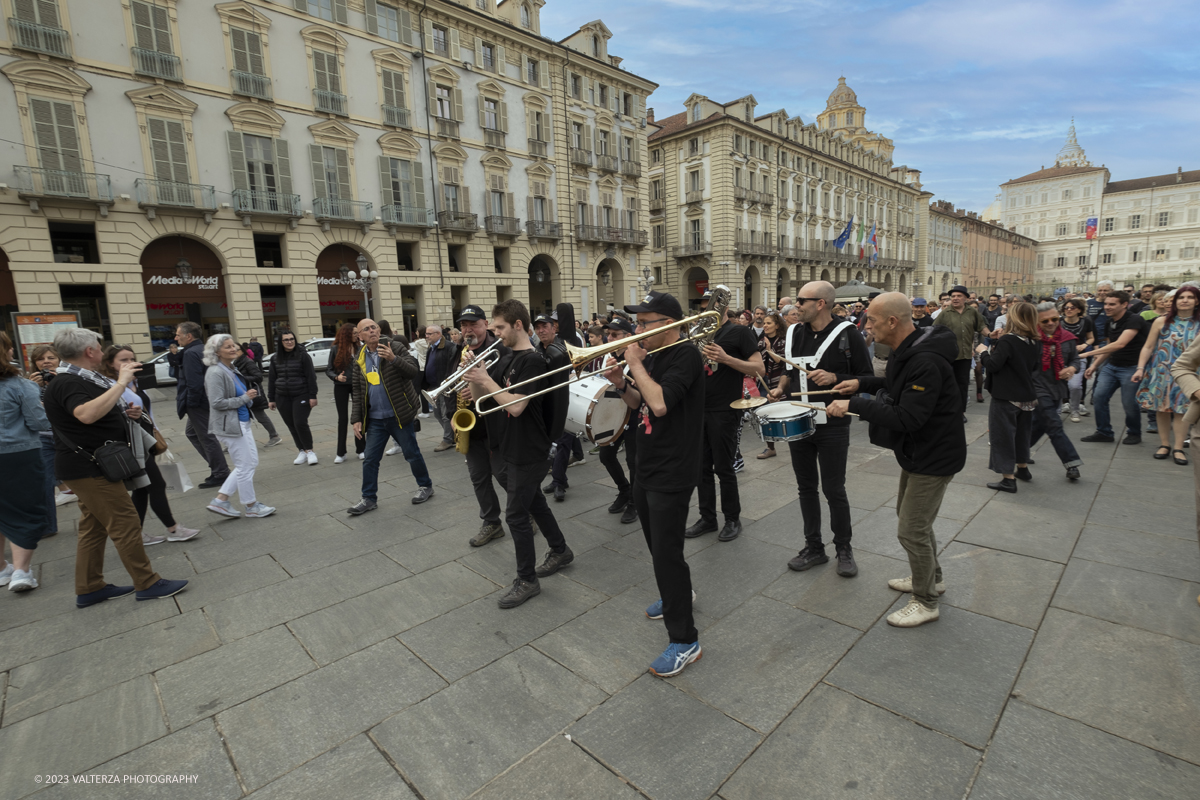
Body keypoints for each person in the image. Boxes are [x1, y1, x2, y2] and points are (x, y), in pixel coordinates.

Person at [827, 294, 966, 628]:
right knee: (911, 518)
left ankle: (926, 600)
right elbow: (895, 385)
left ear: (892, 321)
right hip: (920, 451)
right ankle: (932, 578)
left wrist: (855, 405)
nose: (867, 326)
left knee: (911, 528)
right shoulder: (910, 349)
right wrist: (861, 384)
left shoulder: (925, 360)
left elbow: (908, 417)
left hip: (934, 453)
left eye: (871, 320)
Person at [43, 328, 188, 606]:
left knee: (94, 527)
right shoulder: (69, 382)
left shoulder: (79, 379)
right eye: (98, 346)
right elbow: (85, 415)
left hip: (85, 465)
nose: (101, 350)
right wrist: (121, 383)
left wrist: (124, 413)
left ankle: (90, 587)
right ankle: (147, 582)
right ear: (89, 352)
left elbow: (91, 414)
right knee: (125, 522)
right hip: (90, 467)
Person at [606, 290, 705, 676]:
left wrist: (634, 363)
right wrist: (620, 381)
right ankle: (676, 593)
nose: (637, 330)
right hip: (646, 463)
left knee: (667, 552)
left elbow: (662, 403)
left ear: (669, 325)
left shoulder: (685, 355)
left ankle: (685, 640)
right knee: (658, 546)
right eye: (637, 322)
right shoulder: (655, 356)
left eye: (644, 323)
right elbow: (639, 403)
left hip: (673, 468)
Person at [464, 300, 573, 609]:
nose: (494, 333)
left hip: (529, 448)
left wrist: (486, 379)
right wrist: (476, 378)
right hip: (507, 444)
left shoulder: (533, 361)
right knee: (535, 502)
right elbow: (483, 402)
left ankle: (527, 580)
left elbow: (516, 405)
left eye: (498, 327)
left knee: (515, 515)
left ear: (517, 325)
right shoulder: (508, 357)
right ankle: (561, 550)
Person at [767, 281, 872, 576]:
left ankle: (844, 548)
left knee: (834, 489)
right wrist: (779, 389)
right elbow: (788, 373)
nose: (795, 305)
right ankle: (814, 547)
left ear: (821, 303)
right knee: (805, 488)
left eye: (801, 300)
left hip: (833, 424)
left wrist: (836, 376)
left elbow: (866, 377)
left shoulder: (848, 334)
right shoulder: (793, 333)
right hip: (798, 420)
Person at [100, 346, 201, 542]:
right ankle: (173, 529)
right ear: (110, 363)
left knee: (141, 489)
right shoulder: (111, 385)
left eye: (132, 358)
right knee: (156, 485)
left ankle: (136, 533)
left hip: (146, 440)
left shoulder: (134, 382)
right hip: (131, 443)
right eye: (123, 360)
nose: (130, 363)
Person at [687, 289, 764, 543]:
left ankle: (732, 518)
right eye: (700, 307)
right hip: (698, 409)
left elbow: (758, 367)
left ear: (720, 307)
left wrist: (726, 358)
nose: (703, 310)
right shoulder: (697, 334)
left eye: (708, 305)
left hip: (724, 409)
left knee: (724, 468)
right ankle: (707, 518)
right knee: (700, 470)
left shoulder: (739, 332)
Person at [348, 318, 434, 513]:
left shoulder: (394, 346)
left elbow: (413, 372)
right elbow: (357, 390)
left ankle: (425, 486)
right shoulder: (360, 356)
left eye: (374, 327)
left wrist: (393, 358)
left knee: (411, 453)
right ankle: (368, 498)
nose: (371, 331)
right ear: (360, 336)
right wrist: (356, 419)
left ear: (379, 330)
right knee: (370, 459)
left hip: (399, 413)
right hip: (376, 419)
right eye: (366, 329)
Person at [453, 305, 515, 546]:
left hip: (495, 424)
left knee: (503, 475)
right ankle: (491, 522)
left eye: (473, 324)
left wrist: (482, 387)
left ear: (485, 325)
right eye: (464, 325)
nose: (468, 330)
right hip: (471, 425)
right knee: (478, 477)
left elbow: (507, 387)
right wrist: (453, 412)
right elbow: (450, 383)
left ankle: (527, 511)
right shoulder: (460, 350)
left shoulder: (501, 350)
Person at [203, 335, 276, 519]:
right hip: (230, 425)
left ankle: (221, 500)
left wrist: (247, 397)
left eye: (233, 345)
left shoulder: (229, 368)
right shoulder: (215, 373)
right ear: (216, 352)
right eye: (227, 347)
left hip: (240, 422)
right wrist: (244, 398)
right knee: (245, 465)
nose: (233, 348)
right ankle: (251, 506)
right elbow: (217, 402)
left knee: (249, 463)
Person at [0, 337, 50, 592]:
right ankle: (21, 571)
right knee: (25, 511)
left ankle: (1, 570)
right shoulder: (19, 386)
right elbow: (39, 423)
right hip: (17, 455)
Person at [977, 302, 1040, 493]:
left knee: (1003, 437)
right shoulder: (1034, 341)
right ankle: (1022, 468)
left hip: (1006, 396)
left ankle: (1008, 478)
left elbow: (994, 365)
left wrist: (983, 352)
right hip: (1027, 395)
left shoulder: (1009, 341)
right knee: (1022, 435)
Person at [1135, 285, 1199, 465]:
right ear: (1175, 301)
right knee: (1161, 408)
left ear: (1197, 301)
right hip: (1161, 370)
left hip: (1189, 373)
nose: (1185, 300)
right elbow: (1148, 347)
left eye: (1190, 297)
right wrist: (1140, 368)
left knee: (1182, 409)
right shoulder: (1161, 321)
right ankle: (1164, 444)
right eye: (1181, 297)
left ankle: (1178, 447)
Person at [1079, 291, 1151, 445]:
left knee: (1129, 403)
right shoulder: (1109, 322)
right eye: (1106, 304)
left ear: (1124, 305)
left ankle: (1134, 433)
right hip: (1112, 366)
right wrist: (1095, 365)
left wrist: (1088, 354)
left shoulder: (1134, 319)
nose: (1107, 307)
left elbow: (1120, 344)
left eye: (1112, 304)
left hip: (1131, 367)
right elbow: (1109, 347)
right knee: (1099, 397)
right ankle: (1104, 432)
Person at [1029, 303, 1083, 481]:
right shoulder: (1031, 338)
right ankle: (1071, 463)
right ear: (1037, 321)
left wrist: (1072, 369)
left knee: (1039, 424)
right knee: (1054, 425)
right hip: (1036, 387)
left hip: (1057, 387)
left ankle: (1017, 452)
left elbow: (1075, 359)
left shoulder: (1067, 338)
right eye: (1045, 321)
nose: (1051, 323)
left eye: (1054, 319)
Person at [594, 317, 639, 524]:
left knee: (633, 461)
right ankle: (624, 490)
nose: (609, 338)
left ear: (628, 336)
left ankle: (635, 502)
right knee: (606, 455)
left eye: (614, 334)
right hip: (616, 417)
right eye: (608, 334)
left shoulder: (638, 357)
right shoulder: (609, 356)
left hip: (634, 417)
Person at [174, 321, 229, 489]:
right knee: (192, 433)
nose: (176, 338)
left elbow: (194, 383)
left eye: (178, 335)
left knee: (206, 437)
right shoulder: (203, 349)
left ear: (188, 336)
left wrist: (191, 404)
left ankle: (221, 472)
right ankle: (217, 468)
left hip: (198, 403)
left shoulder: (190, 353)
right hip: (207, 399)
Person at [540, 307, 584, 502]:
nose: (541, 331)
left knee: (562, 442)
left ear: (554, 329)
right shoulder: (537, 348)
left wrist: (563, 311)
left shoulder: (567, 342)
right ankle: (562, 477)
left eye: (545, 327)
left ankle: (558, 482)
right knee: (559, 441)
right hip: (548, 401)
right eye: (537, 328)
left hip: (566, 399)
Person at [933, 285, 987, 416]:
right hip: (948, 355)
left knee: (962, 385)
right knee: (948, 384)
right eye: (953, 296)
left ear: (966, 298)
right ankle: (947, 410)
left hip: (965, 355)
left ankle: (960, 412)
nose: (955, 299)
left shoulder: (972, 312)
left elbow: (981, 327)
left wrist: (990, 335)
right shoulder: (945, 313)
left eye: (959, 296)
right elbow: (934, 330)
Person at [268, 329, 319, 465]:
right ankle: (301, 450)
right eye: (286, 340)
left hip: (301, 394)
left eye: (292, 339)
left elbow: (311, 377)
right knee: (291, 425)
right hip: (282, 396)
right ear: (281, 342)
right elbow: (272, 379)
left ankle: (310, 450)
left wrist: (313, 395)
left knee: (300, 423)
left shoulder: (303, 356)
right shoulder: (275, 358)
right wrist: (271, 398)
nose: (290, 342)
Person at [326, 322, 365, 464]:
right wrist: (336, 377)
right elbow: (328, 369)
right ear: (347, 334)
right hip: (341, 386)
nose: (357, 335)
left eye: (357, 333)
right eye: (354, 333)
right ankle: (341, 452)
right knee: (342, 419)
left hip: (357, 385)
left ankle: (361, 449)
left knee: (359, 417)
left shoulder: (360, 348)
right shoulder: (336, 349)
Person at [231, 347, 281, 447]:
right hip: (242, 395)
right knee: (236, 418)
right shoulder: (234, 363)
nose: (234, 351)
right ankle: (234, 442)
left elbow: (258, 376)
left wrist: (241, 378)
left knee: (261, 416)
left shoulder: (248, 362)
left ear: (242, 350)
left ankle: (274, 436)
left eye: (236, 349)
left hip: (253, 394)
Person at [422, 325, 459, 453]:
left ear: (438, 334)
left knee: (445, 414)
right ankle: (453, 435)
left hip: (443, 386)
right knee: (437, 414)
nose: (427, 336)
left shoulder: (449, 347)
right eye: (426, 334)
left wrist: (446, 383)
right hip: (433, 387)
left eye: (429, 334)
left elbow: (451, 366)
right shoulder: (431, 348)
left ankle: (448, 440)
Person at [756, 311, 787, 459]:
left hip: (781, 380)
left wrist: (769, 350)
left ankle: (798, 443)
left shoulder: (782, 341)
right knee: (764, 414)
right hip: (764, 381)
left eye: (769, 323)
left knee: (785, 413)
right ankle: (770, 448)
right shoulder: (761, 341)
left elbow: (783, 362)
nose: (765, 326)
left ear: (777, 325)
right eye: (764, 323)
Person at [1060, 299, 1095, 421]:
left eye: (1072, 308)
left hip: (1078, 357)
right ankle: (1058, 411)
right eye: (1066, 307)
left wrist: (1084, 345)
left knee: (1075, 386)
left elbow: (1091, 338)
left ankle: (1075, 410)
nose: (1068, 310)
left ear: (1079, 310)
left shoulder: (1086, 321)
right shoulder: (1058, 322)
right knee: (1058, 385)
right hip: (1060, 357)